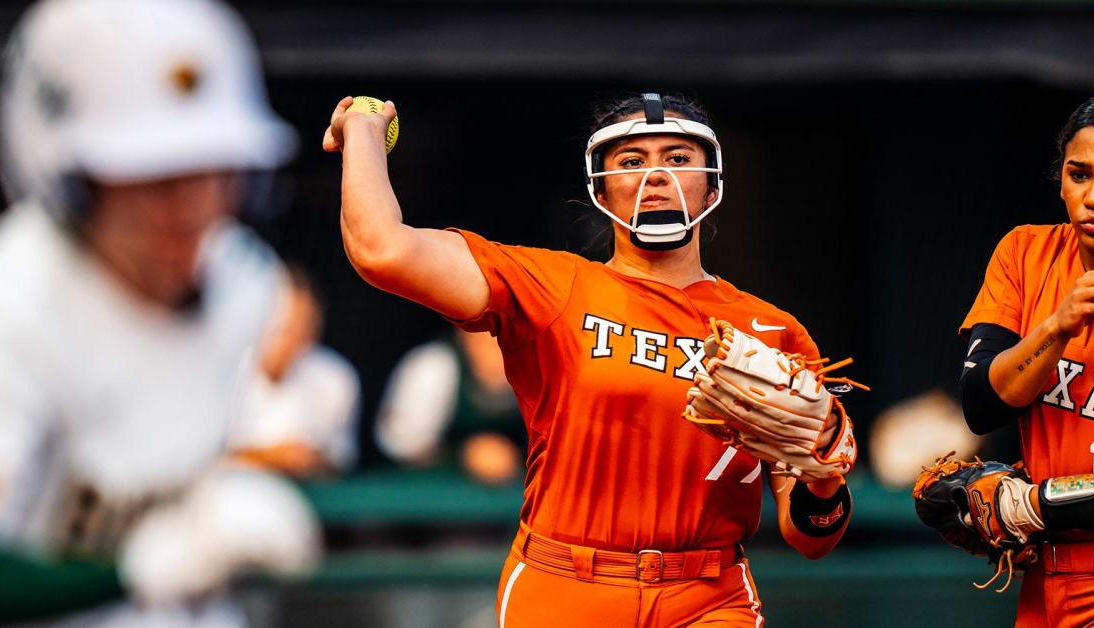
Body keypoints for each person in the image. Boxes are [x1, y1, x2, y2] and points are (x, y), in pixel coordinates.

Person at [325, 91, 856, 626]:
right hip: (566, 583)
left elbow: (811, 539)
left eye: (677, 157)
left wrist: (825, 477)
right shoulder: (552, 286)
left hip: (709, 594)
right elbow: (381, 250)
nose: (655, 175)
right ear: (600, 187)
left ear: (712, 181)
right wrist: (365, 127)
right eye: (631, 161)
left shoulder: (775, 331)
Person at [0, 0, 359, 624]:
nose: (193, 210)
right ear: (77, 178)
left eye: (214, 171)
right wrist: (134, 569)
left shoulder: (244, 279)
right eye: (155, 177)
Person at [959, 91, 1094, 627]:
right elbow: (982, 404)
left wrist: (1035, 505)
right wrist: (1057, 326)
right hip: (1046, 575)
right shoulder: (1026, 252)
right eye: (1079, 173)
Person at [375, 328, 526, 485]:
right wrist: (463, 455)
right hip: (433, 494)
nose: (496, 357)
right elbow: (403, 449)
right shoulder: (433, 368)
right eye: (486, 344)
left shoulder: (544, 365)